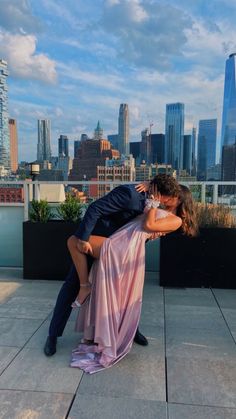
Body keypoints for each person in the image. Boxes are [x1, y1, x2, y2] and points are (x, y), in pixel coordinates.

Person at [44, 174, 181, 356]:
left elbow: (146, 223)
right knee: (72, 286)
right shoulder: (129, 194)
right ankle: (52, 336)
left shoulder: (150, 199)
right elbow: (94, 208)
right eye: (166, 198)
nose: (167, 202)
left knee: (124, 292)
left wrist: (151, 189)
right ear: (159, 193)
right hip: (95, 242)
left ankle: (131, 331)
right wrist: (83, 240)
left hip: (120, 251)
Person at [70, 184, 198, 373]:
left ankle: (84, 286)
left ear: (180, 200)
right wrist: (149, 185)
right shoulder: (161, 209)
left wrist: (153, 205)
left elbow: (148, 225)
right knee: (112, 293)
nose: (167, 198)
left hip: (123, 247)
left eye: (173, 196)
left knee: (73, 241)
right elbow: (160, 190)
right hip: (123, 242)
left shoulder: (176, 220)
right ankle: (100, 329)